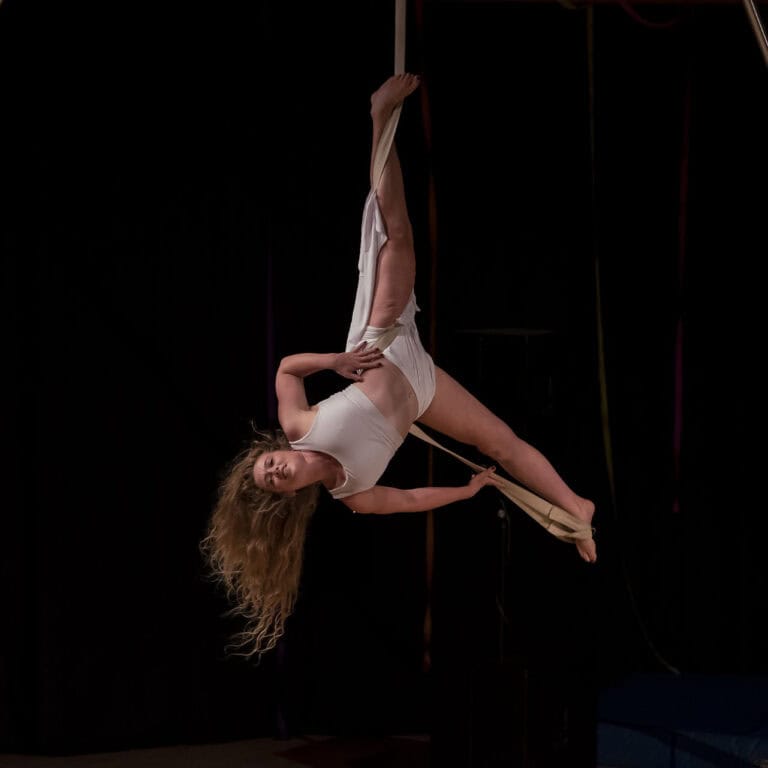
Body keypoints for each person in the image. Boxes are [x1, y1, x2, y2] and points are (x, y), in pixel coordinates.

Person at [202, 73, 595, 658]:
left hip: (379, 345)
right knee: (504, 445)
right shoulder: (353, 493)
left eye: (268, 466)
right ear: (284, 498)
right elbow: (409, 500)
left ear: (271, 454)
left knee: (398, 238)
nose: (277, 470)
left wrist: (336, 360)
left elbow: (287, 369)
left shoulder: (298, 426)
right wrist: (463, 495)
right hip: (422, 387)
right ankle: (577, 505)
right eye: (274, 480)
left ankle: (379, 116)